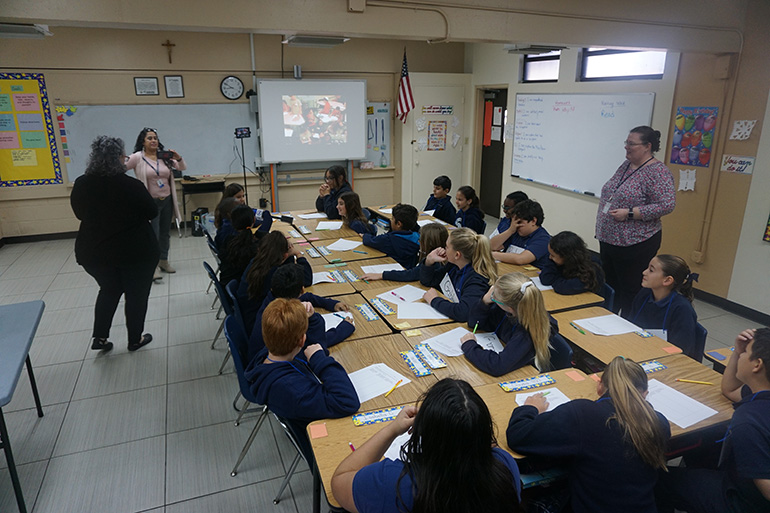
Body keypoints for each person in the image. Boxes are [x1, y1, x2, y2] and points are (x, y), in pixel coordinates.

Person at [331, 378, 523, 513]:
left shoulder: (392, 482)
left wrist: (391, 430)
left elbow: (339, 481)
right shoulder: (504, 466)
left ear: (424, 433)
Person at [507, 356, 671, 513]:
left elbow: (518, 435)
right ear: (645, 394)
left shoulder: (583, 414)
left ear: (600, 387)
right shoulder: (659, 424)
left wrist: (530, 408)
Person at [656, 328, 770, 513]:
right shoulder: (759, 394)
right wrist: (737, 352)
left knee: (659, 479)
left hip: (740, 501)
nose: (738, 355)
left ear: (757, 364)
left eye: (743, 353)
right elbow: (730, 390)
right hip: (742, 482)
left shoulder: (749, 420)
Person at [245, 298, 360, 466]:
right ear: (301, 340)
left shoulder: (270, 353)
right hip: (324, 443)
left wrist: (312, 320)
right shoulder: (291, 389)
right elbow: (348, 402)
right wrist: (320, 360)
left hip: (308, 412)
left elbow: (311, 347)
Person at [70, 135, 157, 353]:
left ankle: (100, 337)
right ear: (117, 158)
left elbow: (79, 213)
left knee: (109, 289)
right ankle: (135, 339)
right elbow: (152, 211)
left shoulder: (82, 183)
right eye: (123, 156)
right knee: (136, 295)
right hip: (135, 252)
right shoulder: (131, 185)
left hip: (95, 253)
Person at [595, 126, 676, 316]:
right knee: (609, 286)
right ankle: (605, 321)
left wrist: (630, 213)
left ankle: (628, 329)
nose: (626, 147)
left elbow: (667, 205)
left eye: (631, 144)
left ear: (647, 146)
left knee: (630, 290)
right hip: (609, 239)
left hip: (635, 243)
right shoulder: (626, 165)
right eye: (626, 143)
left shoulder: (658, 172)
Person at [461, 272, 572, 376]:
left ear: (509, 308)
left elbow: (497, 366)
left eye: (494, 295)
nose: (491, 293)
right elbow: (475, 323)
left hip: (527, 375)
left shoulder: (528, 331)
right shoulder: (510, 311)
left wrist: (470, 346)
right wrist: (484, 301)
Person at [246, 264, 353, 364]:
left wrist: (331, 304)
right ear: (302, 289)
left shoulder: (273, 300)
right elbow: (314, 347)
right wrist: (342, 330)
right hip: (274, 364)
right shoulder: (284, 318)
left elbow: (307, 297)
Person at [125, 127, 185, 279]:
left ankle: (163, 261)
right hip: (149, 203)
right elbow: (120, 169)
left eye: (155, 138)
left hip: (167, 200)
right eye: (149, 138)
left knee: (165, 233)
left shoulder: (163, 157)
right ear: (143, 142)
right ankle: (152, 267)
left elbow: (182, 168)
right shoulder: (137, 157)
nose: (153, 141)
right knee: (153, 235)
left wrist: (178, 158)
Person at [236, 231, 312, 335]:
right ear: (284, 256)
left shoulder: (256, 262)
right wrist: (297, 254)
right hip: (261, 325)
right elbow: (307, 279)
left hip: (250, 315)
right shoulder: (275, 274)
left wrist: (287, 256)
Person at [628, 254, 700, 360]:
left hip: (664, 360)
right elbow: (629, 325)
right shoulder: (644, 294)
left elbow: (680, 350)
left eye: (651, 270)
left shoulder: (682, 309)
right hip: (637, 350)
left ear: (667, 280)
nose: (644, 272)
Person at [419, 227, 497, 322]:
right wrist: (429, 261)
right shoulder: (454, 266)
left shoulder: (477, 279)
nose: (444, 249)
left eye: (447, 247)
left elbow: (463, 313)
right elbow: (428, 281)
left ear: (457, 255)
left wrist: (434, 300)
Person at [360, 223, 448, 283]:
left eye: (420, 239)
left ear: (428, 243)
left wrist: (381, 275)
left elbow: (410, 275)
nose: (418, 241)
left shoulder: (435, 261)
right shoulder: (436, 257)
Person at [539, 231, 605, 295]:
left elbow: (562, 287)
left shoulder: (592, 267)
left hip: (589, 301)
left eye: (553, 255)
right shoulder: (558, 261)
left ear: (566, 256)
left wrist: (556, 279)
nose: (550, 257)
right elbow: (545, 279)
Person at [492, 199, 551, 268]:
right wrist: (510, 230)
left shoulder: (543, 239)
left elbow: (520, 259)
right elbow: (491, 246)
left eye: (519, 222)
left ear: (533, 221)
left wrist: (493, 254)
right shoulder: (515, 231)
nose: (515, 225)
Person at [362, 203, 420, 269]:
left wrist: (364, 236)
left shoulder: (389, 239)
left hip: (390, 269)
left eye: (392, 219)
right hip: (408, 271)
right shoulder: (418, 238)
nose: (390, 220)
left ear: (398, 224)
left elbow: (370, 241)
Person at [217, 205, 263, 287]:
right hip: (240, 289)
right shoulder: (253, 248)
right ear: (254, 220)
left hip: (226, 285)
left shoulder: (228, 240)